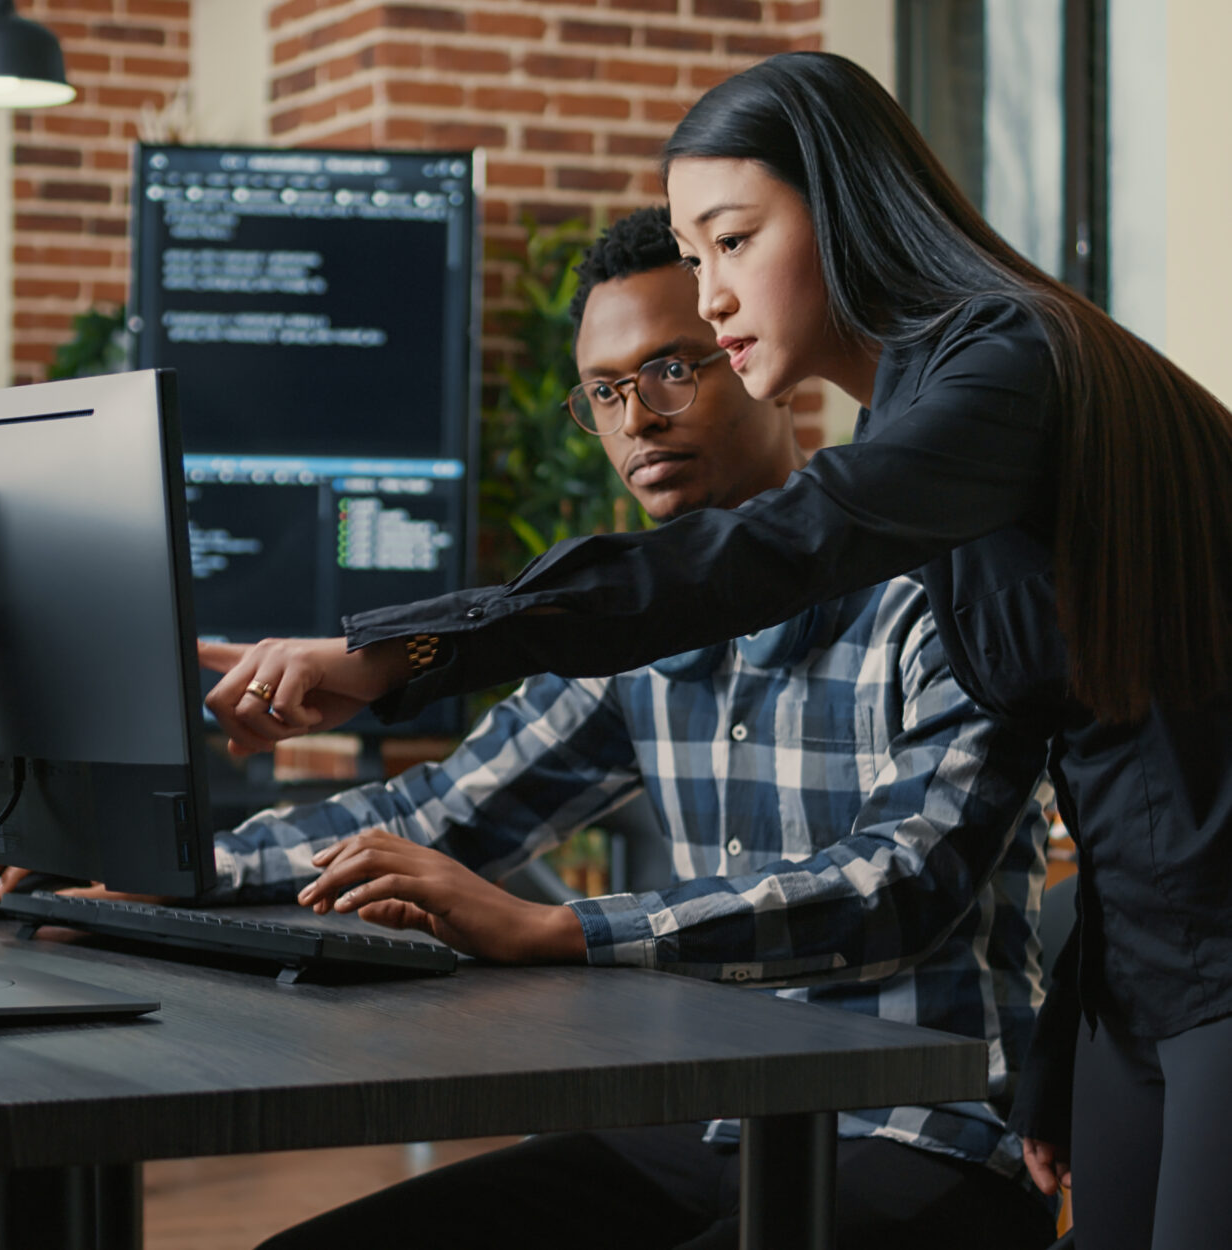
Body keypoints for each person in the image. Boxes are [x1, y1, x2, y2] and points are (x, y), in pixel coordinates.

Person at [204, 54, 1232, 1250]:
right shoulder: (937, 423)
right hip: (1137, 983)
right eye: (695, 259)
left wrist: (404, 648)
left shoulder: (1005, 363)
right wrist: (1066, 1033)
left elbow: (769, 552)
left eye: (734, 242)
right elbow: (1129, 751)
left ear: (844, 205)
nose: (715, 296)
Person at [100, 208, 1044, 1248]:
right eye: (604, 391)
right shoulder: (629, 633)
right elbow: (436, 811)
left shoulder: (938, 596)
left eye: (672, 370)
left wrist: (562, 928)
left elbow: (899, 885)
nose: (636, 418)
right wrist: (161, 866)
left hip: (926, 1134)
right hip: (708, 1120)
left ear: (754, 361)